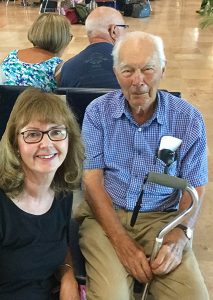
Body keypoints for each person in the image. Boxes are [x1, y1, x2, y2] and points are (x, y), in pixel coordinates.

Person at [76, 31, 209, 300]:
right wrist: (121, 242)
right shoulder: (97, 112)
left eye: (147, 69)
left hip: (163, 219)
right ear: (115, 73)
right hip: (105, 216)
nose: (138, 81)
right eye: (128, 70)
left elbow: (195, 185)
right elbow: (92, 181)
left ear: (162, 68)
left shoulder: (188, 119)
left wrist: (181, 233)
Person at [0, 87, 84, 300]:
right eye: (33, 134)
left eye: (56, 132)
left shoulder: (62, 194)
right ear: (15, 144)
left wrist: (67, 275)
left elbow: (56, 244)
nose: (47, 144)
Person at [0, 13, 72, 92]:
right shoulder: (57, 67)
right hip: (36, 104)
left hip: (6, 103)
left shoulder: (12, 55)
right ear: (62, 38)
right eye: (69, 36)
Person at [60, 7, 127, 89]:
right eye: (124, 27)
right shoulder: (130, 66)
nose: (126, 33)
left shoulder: (67, 68)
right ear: (113, 31)